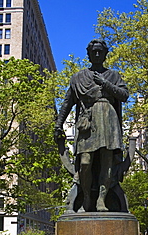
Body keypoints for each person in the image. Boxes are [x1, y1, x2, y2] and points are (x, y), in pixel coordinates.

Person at [54, 39, 129, 212]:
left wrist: (105, 84)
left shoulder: (113, 76)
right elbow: (67, 103)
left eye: (100, 52)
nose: (96, 54)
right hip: (87, 122)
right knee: (85, 161)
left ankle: (101, 200)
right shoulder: (78, 78)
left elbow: (124, 95)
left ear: (105, 54)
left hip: (108, 119)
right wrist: (59, 125)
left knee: (106, 162)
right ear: (88, 54)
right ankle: (87, 196)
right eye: (93, 52)